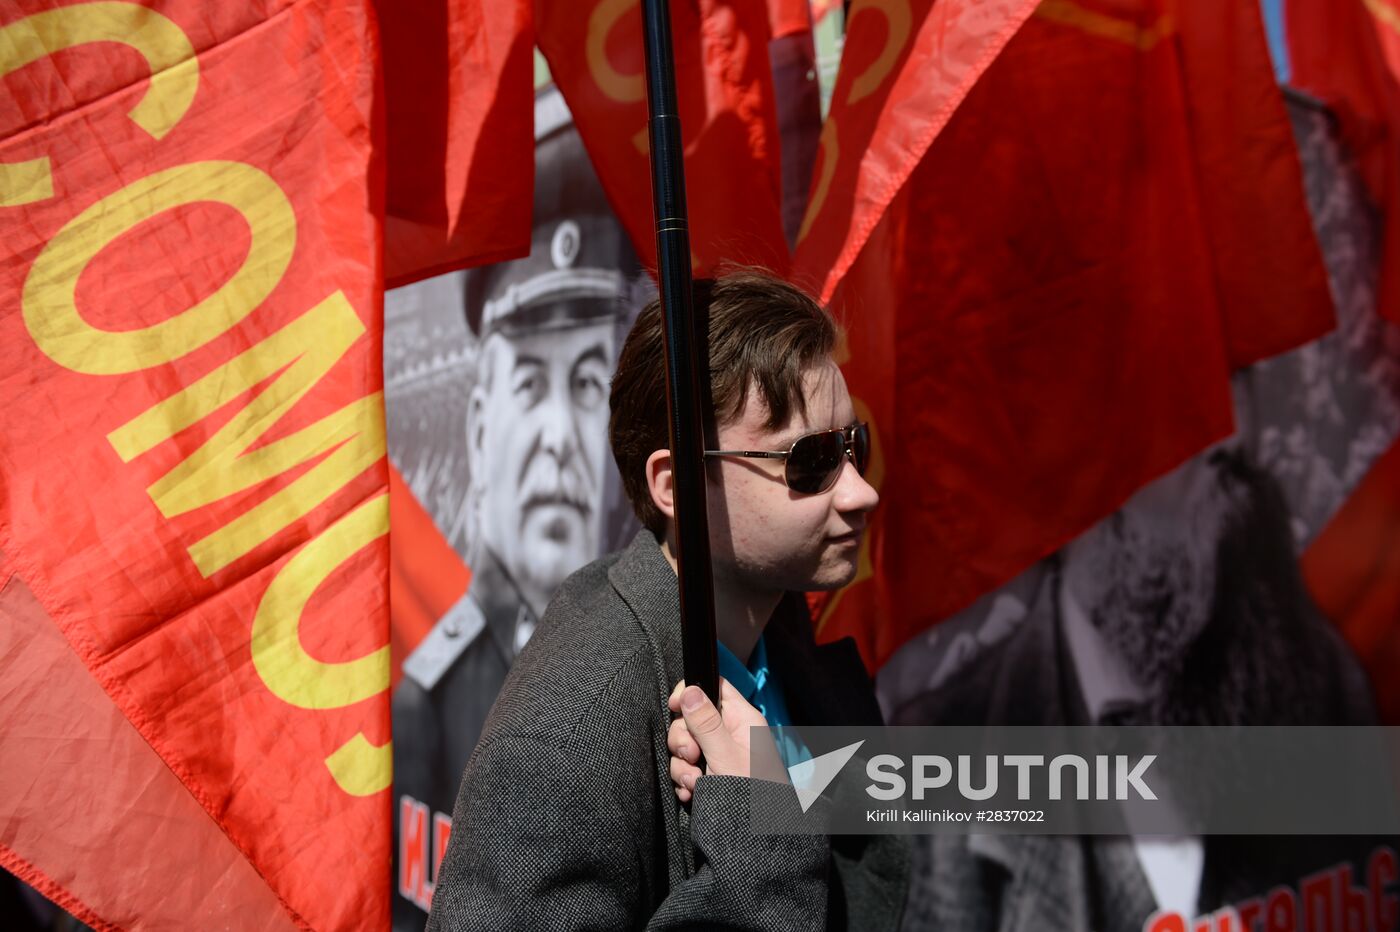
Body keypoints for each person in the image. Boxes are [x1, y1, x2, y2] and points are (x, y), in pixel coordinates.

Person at [426, 271, 910, 930]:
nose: (860, 493)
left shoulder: (782, 631)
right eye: (811, 460)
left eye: (854, 447)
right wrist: (762, 844)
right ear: (674, 485)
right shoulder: (563, 742)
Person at [892, 446, 1383, 931]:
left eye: (1233, 383)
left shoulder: (1321, 676)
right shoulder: (931, 764)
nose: (1233, 438)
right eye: (1182, 423)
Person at [391, 104, 634, 928]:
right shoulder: (427, 702)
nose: (559, 440)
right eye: (531, 386)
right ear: (480, 428)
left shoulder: (691, 665)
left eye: (591, 383)